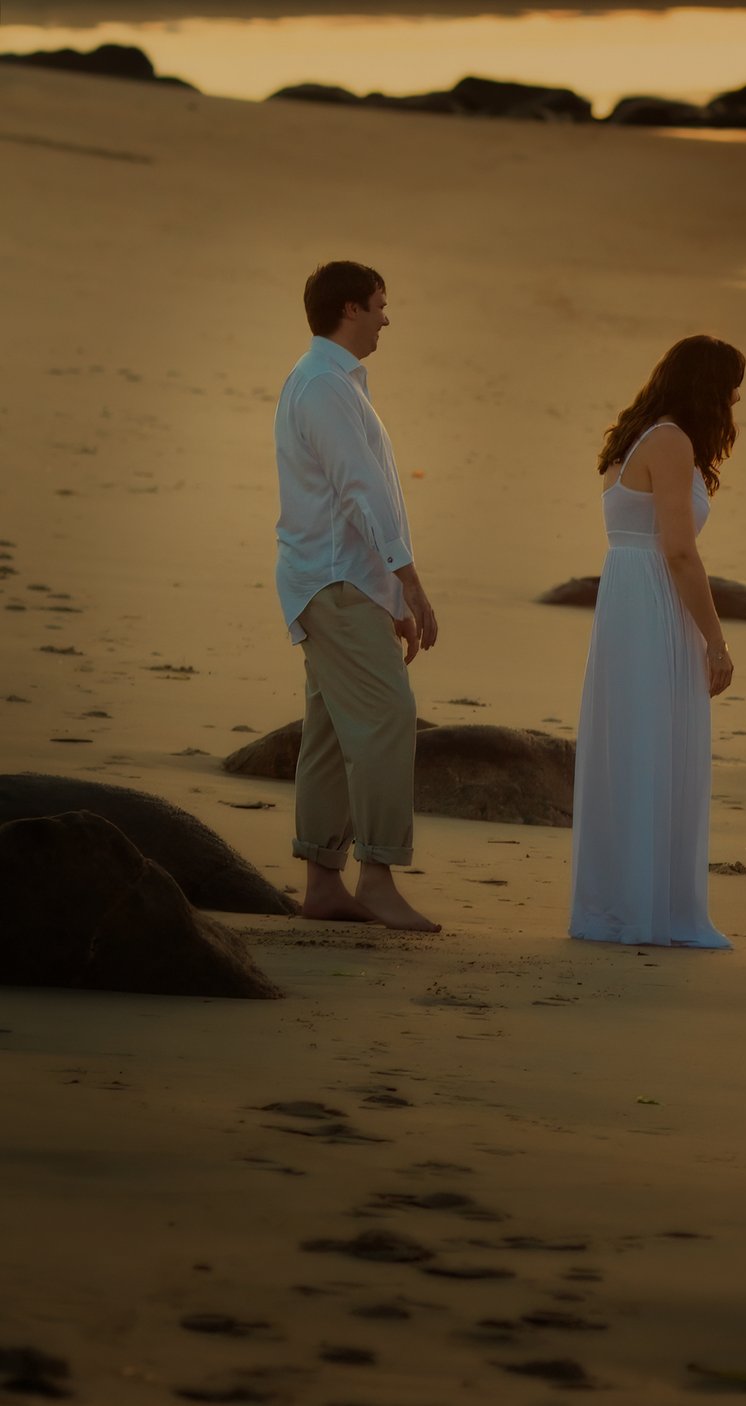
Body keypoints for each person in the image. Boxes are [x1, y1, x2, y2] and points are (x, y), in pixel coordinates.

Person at [273, 260, 441, 932]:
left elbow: (359, 495)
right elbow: (361, 491)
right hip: (334, 579)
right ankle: (375, 875)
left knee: (332, 729)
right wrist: (408, 580)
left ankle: (322, 881)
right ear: (349, 309)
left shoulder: (327, 382)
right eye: (378, 304)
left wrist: (390, 597)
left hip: (335, 579)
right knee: (386, 717)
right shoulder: (323, 388)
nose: (385, 317)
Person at [568, 335, 744, 949]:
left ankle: (634, 904)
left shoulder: (643, 433)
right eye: (730, 389)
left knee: (641, 747)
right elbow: (677, 549)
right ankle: (645, 911)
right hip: (649, 597)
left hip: (631, 594)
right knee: (650, 745)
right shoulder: (670, 441)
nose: (734, 402)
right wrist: (715, 639)